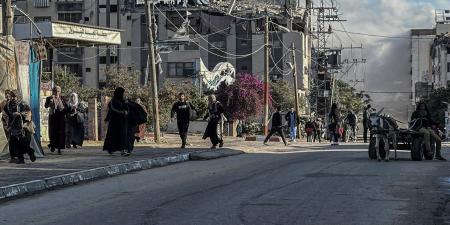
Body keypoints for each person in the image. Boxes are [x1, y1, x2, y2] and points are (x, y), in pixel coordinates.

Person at [4, 90, 36, 164]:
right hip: (13, 127)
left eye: (14, 96)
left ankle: (30, 152)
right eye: (11, 96)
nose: (12, 98)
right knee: (14, 143)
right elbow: (7, 114)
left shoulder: (23, 104)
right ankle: (20, 158)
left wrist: (19, 114)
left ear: (18, 96)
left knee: (23, 143)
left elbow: (28, 114)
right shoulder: (8, 105)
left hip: (23, 127)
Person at [103, 87, 130, 156]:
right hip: (115, 122)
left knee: (123, 135)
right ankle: (111, 149)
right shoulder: (113, 101)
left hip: (123, 121)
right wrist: (123, 113)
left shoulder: (123, 100)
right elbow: (112, 110)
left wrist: (126, 109)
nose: (123, 94)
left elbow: (127, 108)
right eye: (122, 93)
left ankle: (123, 150)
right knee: (113, 136)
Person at [45, 86, 67, 154]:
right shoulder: (49, 98)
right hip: (53, 117)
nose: (56, 92)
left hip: (61, 117)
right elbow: (46, 106)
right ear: (53, 91)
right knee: (53, 132)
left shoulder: (62, 98)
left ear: (60, 92)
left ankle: (59, 148)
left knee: (60, 133)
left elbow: (66, 107)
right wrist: (49, 102)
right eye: (54, 91)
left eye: (58, 91)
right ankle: (53, 145)